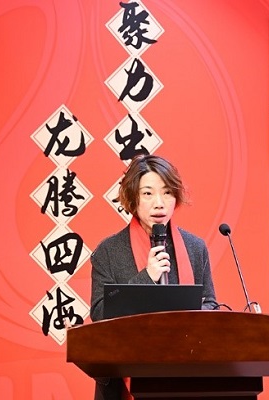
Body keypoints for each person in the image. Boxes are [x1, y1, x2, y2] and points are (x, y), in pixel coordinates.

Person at [89, 154, 217, 400]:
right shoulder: (109, 251)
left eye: (167, 193)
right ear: (132, 198)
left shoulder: (195, 247)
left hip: (188, 373)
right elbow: (100, 313)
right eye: (148, 193)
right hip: (122, 381)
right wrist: (147, 277)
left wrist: (182, 317)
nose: (159, 203)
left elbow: (210, 302)